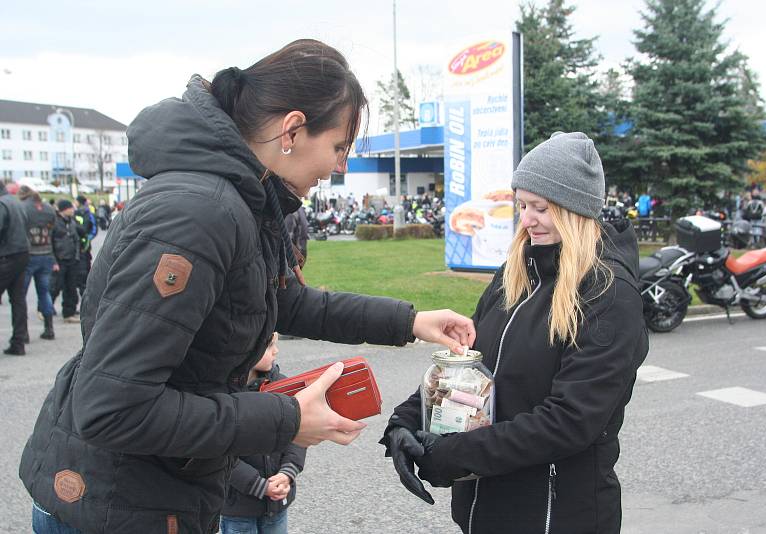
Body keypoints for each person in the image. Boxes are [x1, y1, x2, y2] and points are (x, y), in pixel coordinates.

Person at [20, 39, 475, 534]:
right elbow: (113, 408)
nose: (340, 166)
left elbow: (281, 300)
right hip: (115, 505)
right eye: (339, 147)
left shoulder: (240, 199)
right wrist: (286, 419)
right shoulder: (199, 213)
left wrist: (409, 321)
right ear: (293, 130)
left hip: (157, 491)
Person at [382, 132, 649, 534]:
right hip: (485, 509)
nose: (526, 219)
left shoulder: (609, 294)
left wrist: (454, 455)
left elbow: (570, 421)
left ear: (574, 208)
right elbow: (469, 366)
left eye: (540, 207)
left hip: (555, 516)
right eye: (521, 205)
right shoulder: (516, 274)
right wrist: (405, 421)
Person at [220, 333, 305, 534]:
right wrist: (258, 485)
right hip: (237, 508)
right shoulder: (223, 394)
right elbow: (218, 451)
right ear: (245, 350)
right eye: (269, 346)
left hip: (277, 503)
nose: (276, 350)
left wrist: (287, 472)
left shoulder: (284, 386)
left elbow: (299, 434)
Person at [18, 186, 57, 340]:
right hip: (47, 253)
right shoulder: (48, 208)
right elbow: (52, 230)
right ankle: (49, 328)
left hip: (29, 255)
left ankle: (24, 332)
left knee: (21, 295)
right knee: (44, 292)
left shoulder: (23, 208)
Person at [0, 182, 30, 355]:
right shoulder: (16, 202)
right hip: (22, 253)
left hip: (7, 255)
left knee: (18, 299)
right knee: (18, 299)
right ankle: (19, 341)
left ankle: (18, 341)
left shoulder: (3, 204)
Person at [50, 200, 84, 323]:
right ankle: (45, 309)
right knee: (55, 286)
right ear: (64, 209)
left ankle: (68, 313)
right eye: (70, 208)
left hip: (71, 259)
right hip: (59, 260)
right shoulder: (54, 222)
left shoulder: (71, 222)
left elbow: (76, 239)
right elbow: (50, 242)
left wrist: (76, 256)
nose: (73, 210)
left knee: (71, 287)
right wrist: (53, 260)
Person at [73, 195, 97, 296]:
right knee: (84, 270)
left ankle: (85, 293)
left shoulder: (85, 213)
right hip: (82, 246)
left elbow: (94, 229)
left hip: (81, 246)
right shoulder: (75, 213)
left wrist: (86, 239)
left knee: (83, 270)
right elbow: (94, 230)